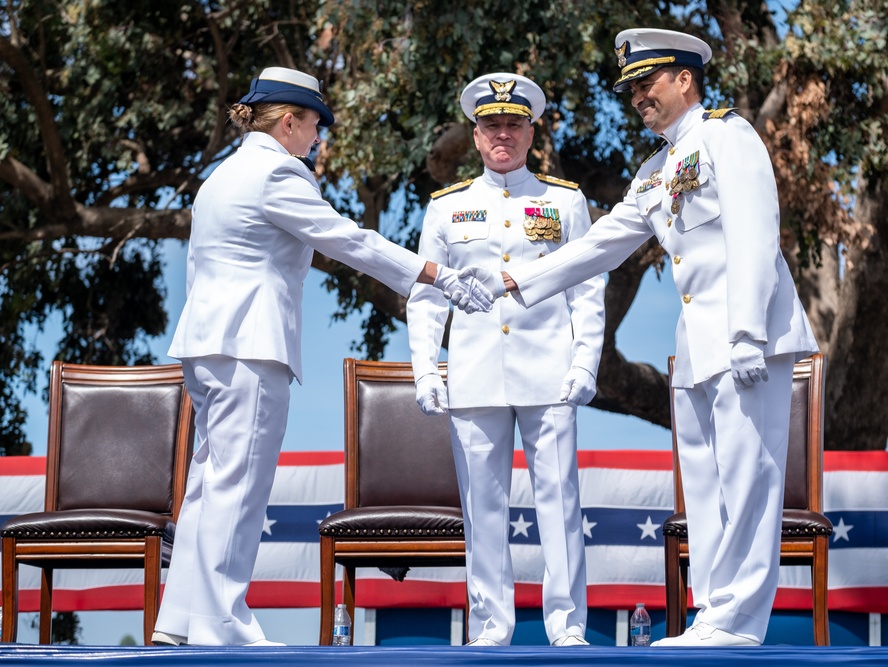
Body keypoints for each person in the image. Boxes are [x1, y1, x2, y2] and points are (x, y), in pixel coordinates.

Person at [483, 30, 819, 647]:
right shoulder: (656, 169)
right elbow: (602, 244)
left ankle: (740, 622)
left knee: (747, 479)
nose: (637, 95)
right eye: (631, 87)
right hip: (696, 348)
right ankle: (714, 612)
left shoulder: (726, 136)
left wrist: (746, 331)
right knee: (706, 484)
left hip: (747, 338)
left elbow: (755, 232)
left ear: (685, 79)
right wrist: (521, 280)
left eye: (647, 82)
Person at [152, 66, 494, 647]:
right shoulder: (277, 173)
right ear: (288, 122)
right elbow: (348, 240)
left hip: (206, 346)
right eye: (314, 126)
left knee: (209, 484)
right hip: (250, 345)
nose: (317, 140)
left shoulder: (221, 175)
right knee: (238, 486)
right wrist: (435, 275)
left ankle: (180, 621)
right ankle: (220, 624)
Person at [406, 72, 606, 647]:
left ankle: (567, 627)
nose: (503, 134)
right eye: (492, 125)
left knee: (560, 503)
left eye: (513, 124)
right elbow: (425, 296)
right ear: (474, 136)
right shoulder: (447, 207)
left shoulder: (564, 201)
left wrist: (585, 363)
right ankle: (491, 628)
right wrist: (425, 367)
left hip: (549, 372)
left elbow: (588, 289)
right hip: (474, 374)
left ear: (530, 132)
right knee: (483, 510)